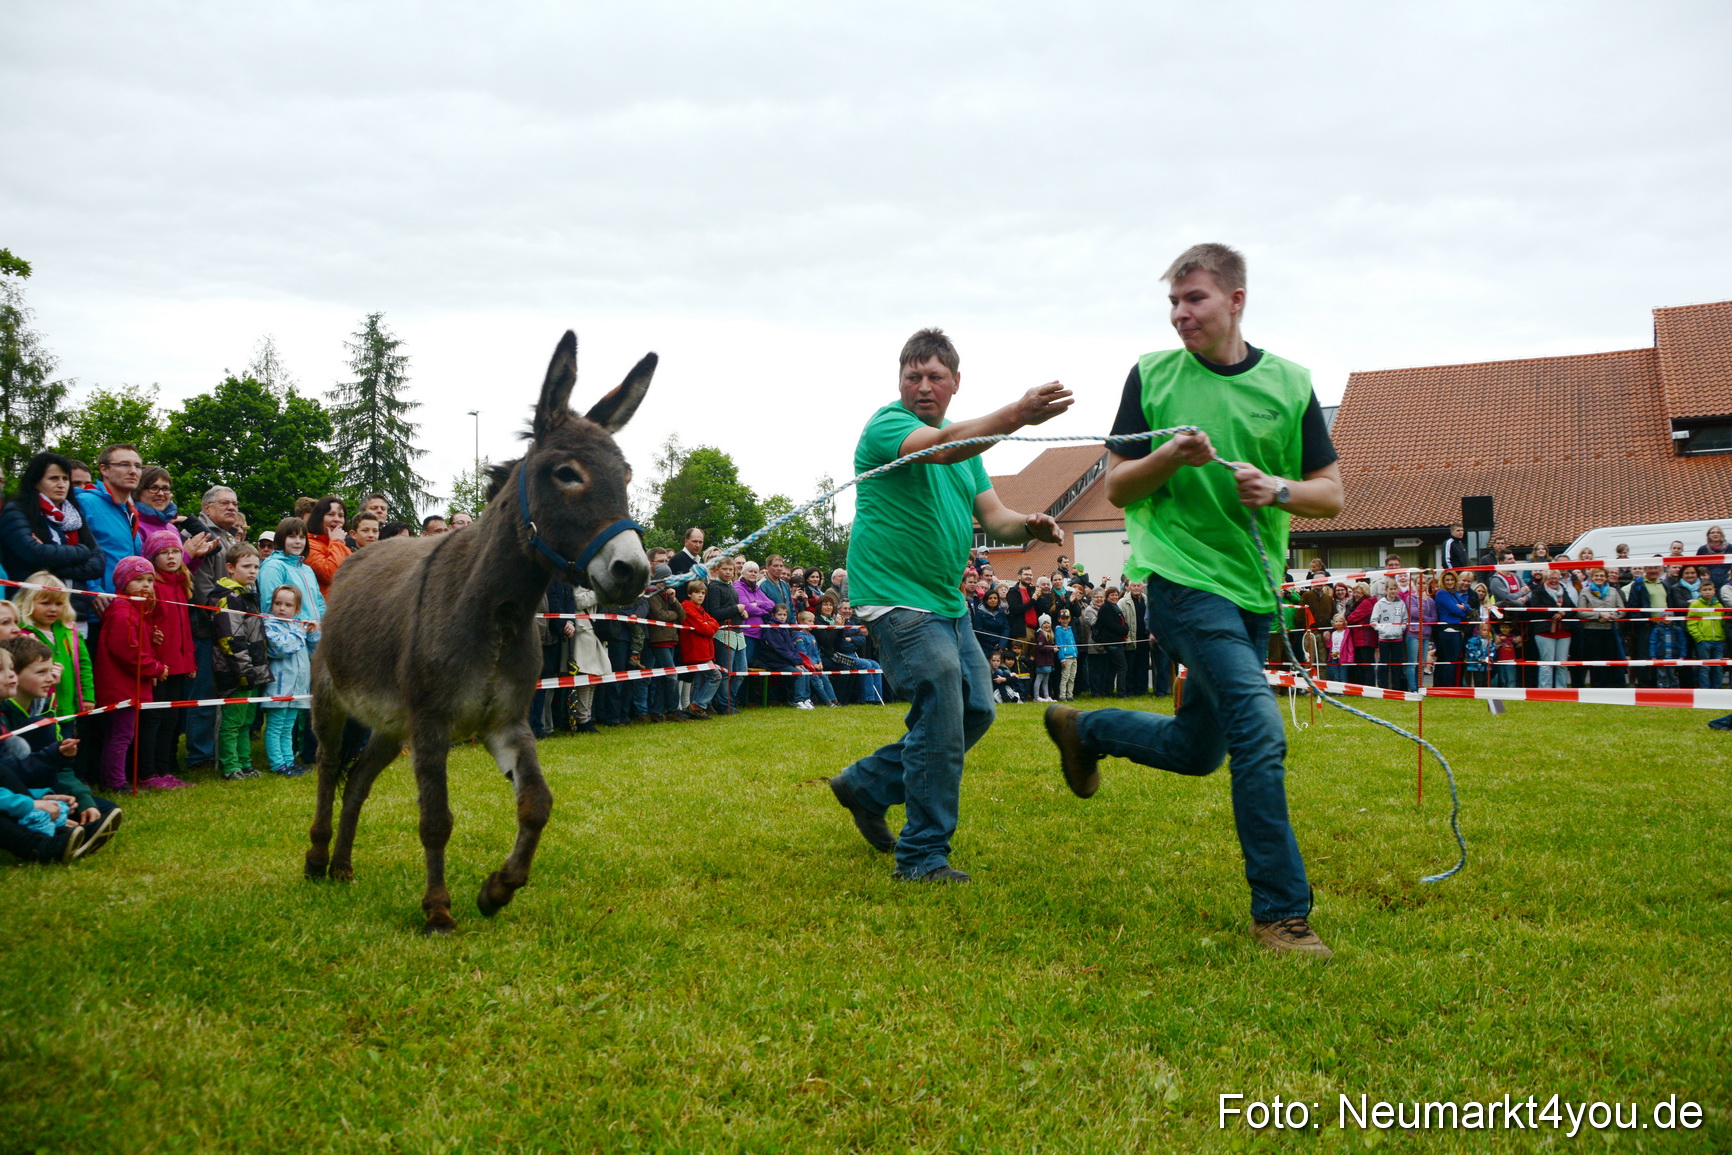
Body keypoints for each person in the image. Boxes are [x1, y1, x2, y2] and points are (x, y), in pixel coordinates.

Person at [1042, 243, 1343, 956]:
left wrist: (1278, 489)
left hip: (1251, 593)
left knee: (1198, 749)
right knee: (1260, 731)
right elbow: (1118, 486)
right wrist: (1169, 455)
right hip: (1180, 582)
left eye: (1194, 299)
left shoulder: (1290, 384)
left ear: (1236, 301)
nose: (1180, 314)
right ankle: (1281, 913)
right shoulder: (1152, 376)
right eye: (1173, 302)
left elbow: (1331, 494)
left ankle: (1085, 730)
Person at [828, 326, 1069, 884]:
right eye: (912, 376)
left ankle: (866, 785)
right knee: (941, 702)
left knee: (977, 710)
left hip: (946, 603)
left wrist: (1029, 525)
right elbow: (945, 446)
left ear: (956, 382)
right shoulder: (888, 426)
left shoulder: (969, 454)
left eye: (935, 377)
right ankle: (922, 856)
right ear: (899, 380)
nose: (923, 386)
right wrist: (1018, 414)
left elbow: (996, 519)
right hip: (894, 598)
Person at [90, 557, 167, 791]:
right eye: (138, 580)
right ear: (123, 582)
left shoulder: (136, 611)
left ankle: (115, 778)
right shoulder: (123, 612)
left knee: (122, 734)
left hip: (128, 686)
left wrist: (151, 640)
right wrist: (156, 668)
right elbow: (128, 653)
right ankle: (114, 782)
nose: (145, 585)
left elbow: (136, 645)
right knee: (121, 735)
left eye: (150, 580)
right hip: (121, 687)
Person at [0, 452, 105, 598]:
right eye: (53, 478)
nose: (61, 484)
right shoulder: (17, 511)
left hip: (73, 604)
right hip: (31, 601)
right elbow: (33, 554)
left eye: (65, 479)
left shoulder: (73, 515)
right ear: (35, 481)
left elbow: (98, 564)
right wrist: (82, 551)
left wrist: (52, 567)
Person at [139, 530, 195, 787]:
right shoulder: (152, 588)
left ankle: (166, 768)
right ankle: (148, 772)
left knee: (172, 720)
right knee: (154, 719)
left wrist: (190, 661)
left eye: (175, 551)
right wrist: (153, 662)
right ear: (152, 557)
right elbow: (144, 626)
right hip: (159, 667)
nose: (171, 557)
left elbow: (185, 629)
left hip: (180, 666)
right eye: (164, 553)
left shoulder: (181, 584)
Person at [212, 543, 270, 779]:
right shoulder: (230, 597)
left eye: (256, 566)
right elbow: (231, 639)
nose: (252, 571)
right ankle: (230, 766)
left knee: (246, 720)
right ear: (230, 567)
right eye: (246, 566)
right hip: (236, 672)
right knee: (232, 722)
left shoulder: (247, 594)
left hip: (252, 670)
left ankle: (245, 763)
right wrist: (245, 671)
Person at [262, 585, 314, 776]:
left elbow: (314, 650)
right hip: (279, 685)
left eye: (288, 605)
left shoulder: (297, 626)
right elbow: (282, 648)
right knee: (276, 726)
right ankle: (278, 764)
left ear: (297, 609)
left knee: (288, 726)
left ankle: (289, 761)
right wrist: (301, 632)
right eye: (278, 603)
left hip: (298, 687)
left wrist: (313, 633)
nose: (282, 608)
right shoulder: (269, 624)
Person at [1529, 569, 1577, 690]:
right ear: (1546, 579)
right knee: (1547, 663)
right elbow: (1535, 609)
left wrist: (1563, 613)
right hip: (1545, 632)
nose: (1554, 581)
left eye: (1556, 578)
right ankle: (1545, 691)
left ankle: (1561, 690)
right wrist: (1555, 611)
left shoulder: (1563, 591)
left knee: (1562, 664)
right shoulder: (1538, 592)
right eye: (1551, 578)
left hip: (1564, 632)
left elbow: (1573, 608)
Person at [306, 496, 352, 599]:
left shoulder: (342, 545)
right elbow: (330, 574)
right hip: (322, 605)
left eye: (341, 515)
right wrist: (336, 541)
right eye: (331, 514)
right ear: (318, 518)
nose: (337, 519)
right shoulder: (309, 545)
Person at [134, 466, 181, 536]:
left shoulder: (172, 528)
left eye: (165, 488)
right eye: (154, 488)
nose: (161, 493)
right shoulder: (132, 526)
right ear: (138, 491)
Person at [971, 587, 1009, 659]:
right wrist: (996, 637)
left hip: (999, 645)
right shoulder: (980, 613)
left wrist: (1002, 644)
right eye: (990, 598)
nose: (993, 600)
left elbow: (1006, 628)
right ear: (986, 600)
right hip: (984, 644)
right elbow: (978, 629)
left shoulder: (1001, 612)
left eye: (995, 598)